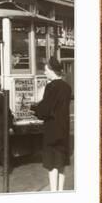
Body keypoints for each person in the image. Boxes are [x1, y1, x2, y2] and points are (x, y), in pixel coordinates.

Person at [32, 57, 72, 191]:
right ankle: (61, 191)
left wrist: (34, 108)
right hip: (64, 130)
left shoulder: (51, 87)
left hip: (51, 131)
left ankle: (53, 193)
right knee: (61, 164)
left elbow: (45, 110)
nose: (44, 73)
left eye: (45, 70)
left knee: (51, 165)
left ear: (51, 70)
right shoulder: (67, 87)